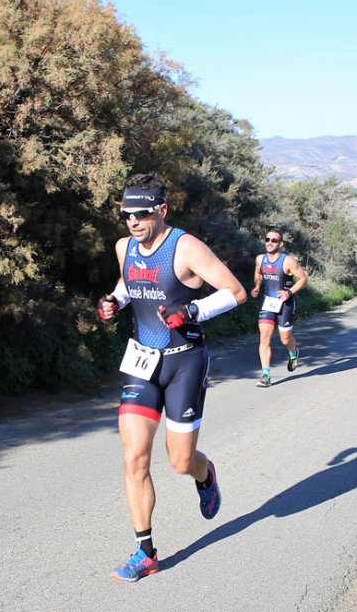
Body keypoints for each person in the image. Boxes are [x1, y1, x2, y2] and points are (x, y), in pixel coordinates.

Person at [96, 173, 247, 583]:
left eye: (142, 213)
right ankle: (145, 552)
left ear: (161, 210)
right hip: (142, 362)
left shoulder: (185, 247)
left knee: (180, 461)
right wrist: (114, 302)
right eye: (127, 214)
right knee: (134, 458)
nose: (133, 221)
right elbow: (131, 283)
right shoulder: (123, 246)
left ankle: (206, 474)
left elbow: (235, 292)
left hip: (185, 362)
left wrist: (194, 312)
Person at [250, 229, 308, 387]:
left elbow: (303, 279)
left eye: (274, 240)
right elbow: (258, 274)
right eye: (267, 239)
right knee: (264, 338)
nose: (270, 242)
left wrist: (289, 292)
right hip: (268, 302)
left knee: (285, 339)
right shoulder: (260, 259)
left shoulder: (288, 261)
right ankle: (266, 375)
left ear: (281, 244)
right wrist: (256, 286)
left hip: (285, 304)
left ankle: (293, 351)